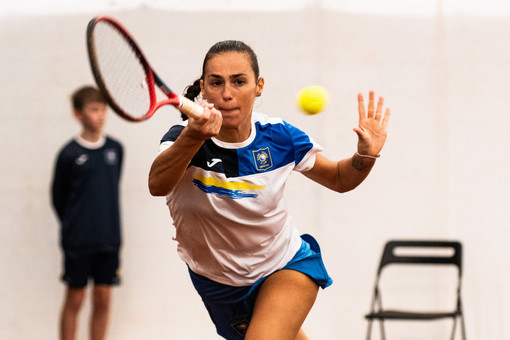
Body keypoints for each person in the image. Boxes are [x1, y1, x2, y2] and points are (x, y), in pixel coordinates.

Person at [148, 40, 390, 340]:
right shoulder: (181, 139)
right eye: (216, 83)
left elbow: (340, 178)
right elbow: (157, 185)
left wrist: (366, 156)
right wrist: (193, 137)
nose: (227, 94)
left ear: (258, 86)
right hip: (218, 284)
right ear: (203, 88)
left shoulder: (280, 137)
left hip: (284, 264)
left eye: (239, 82)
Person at [51, 86, 123, 340]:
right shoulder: (69, 154)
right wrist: (74, 226)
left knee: (103, 298)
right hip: (78, 242)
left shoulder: (115, 149)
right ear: (78, 115)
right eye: (93, 109)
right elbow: (58, 198)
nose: (100, 115)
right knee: (76, 297)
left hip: (108, 240)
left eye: (102, 109)